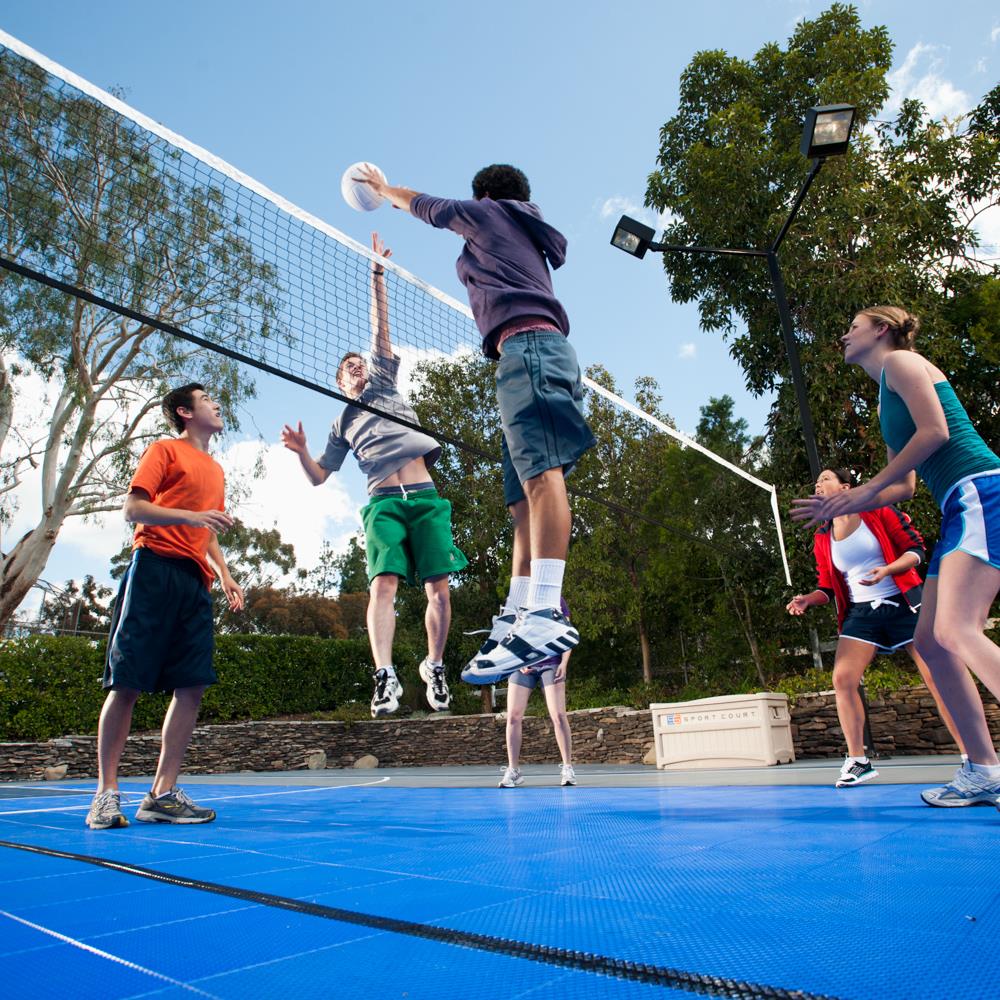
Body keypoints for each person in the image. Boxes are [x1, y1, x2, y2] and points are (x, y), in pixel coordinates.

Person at [354, 163, 594, 683]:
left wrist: (381, 190)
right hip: (522, 355)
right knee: (519, 500)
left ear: (485, 194)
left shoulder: (490, 214)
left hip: (530, 351)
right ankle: (519, 611)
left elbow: (424, 206)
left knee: (541, 479)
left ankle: (547, 613)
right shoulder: (520, 230)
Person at [792, 306, 1000, 808]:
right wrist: (844, 502)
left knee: (956, 629)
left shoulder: (902, 364)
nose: (845, 334)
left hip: (979, 491)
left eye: (855, 327)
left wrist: (857, 490)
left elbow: (937, 433)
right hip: (957, 504)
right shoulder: (886, 401)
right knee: (930, 643)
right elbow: (903, 487)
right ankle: (985, 771)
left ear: (881, 331)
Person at [282, 233, 468, 718]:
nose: (358, 366)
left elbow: (381, 329)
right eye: (349, 366)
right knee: (383, 584)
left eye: (360, 362)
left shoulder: (384, 382)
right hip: (383, 502)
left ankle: (434, 665)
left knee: (439, 594)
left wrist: (376, 275)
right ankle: (384, 676)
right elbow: (321, 476)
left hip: (425, 495)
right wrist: (303, 452)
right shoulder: (340, 421)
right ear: (339, 381)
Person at [85, 384, 244, 830]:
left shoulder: (214, 468)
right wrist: (191, 518)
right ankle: (106, 794)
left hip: (196, 582)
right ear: (184, 412)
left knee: (192, 686)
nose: (216, 401)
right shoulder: (164, 451)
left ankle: (161, 794)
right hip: (153, 568)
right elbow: (134, 508)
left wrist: (226, 575)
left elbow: (207, 529)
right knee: (127, 681)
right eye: (206, 397)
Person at [787, 466, 966, 787]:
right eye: (816, 482)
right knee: (842, 678)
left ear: (845, 488)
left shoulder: (879, 510)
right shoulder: (822, 536)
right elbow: (826, 588)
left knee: (936, 677)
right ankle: (858, 760)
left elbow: (916, 551)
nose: (818, 484)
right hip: (862, 613)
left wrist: (887, 570)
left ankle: (972, 758)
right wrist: (807, 600)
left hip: (904, 603)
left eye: (825, 479)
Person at [499, 598, 576, 788]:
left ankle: (567, 768)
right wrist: (518, 660)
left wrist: (564, 663)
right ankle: (514, 770)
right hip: (523, 665)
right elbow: (507, 633)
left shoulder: (555, 598)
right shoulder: (516, 597)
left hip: (551, 663)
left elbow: (567, 632)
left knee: (558, 715)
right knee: (513, 717)